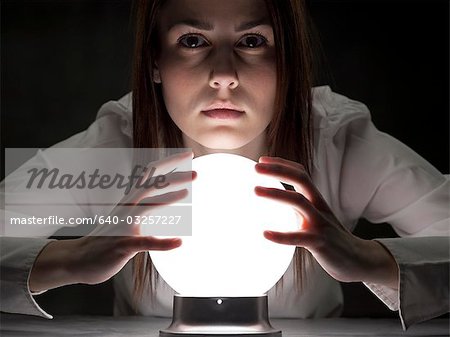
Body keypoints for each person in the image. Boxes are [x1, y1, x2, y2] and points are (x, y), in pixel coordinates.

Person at [1, 0, 448, 330]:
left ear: (286, 60)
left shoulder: (335, 139)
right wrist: (71, 258)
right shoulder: (119, 148)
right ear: (155, 61)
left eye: (252, 41)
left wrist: (368, 258)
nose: (223, 75)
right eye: (192, 41)